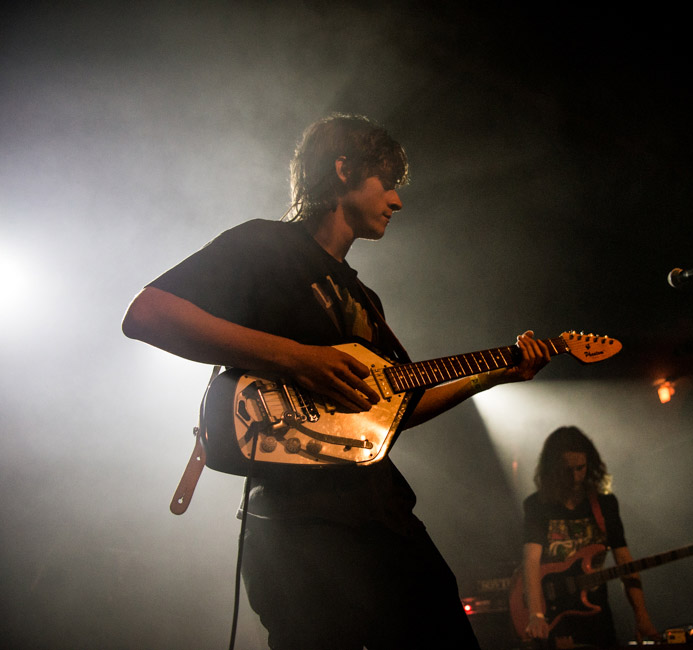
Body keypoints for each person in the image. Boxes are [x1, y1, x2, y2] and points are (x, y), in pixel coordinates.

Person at [121, 113, 551, 649]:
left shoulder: (367, 301)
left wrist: (493, 376)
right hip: (296, 526)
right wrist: (295, 359)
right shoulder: (264, 246)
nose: (397, 201)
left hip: (385, 517)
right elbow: (146, 314)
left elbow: (389, 410)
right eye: (387, 182)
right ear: (344, 170)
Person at [519, 426, 656, 647]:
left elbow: (624, 561)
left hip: (597, 615)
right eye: (567, 470)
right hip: (554, 616)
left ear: (589, 465)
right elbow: (531, 561)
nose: (575, 477)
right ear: (553, 469)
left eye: (580, 468)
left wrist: (641, 614)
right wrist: (536, 614)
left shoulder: (605, 504)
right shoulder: (537, 505)